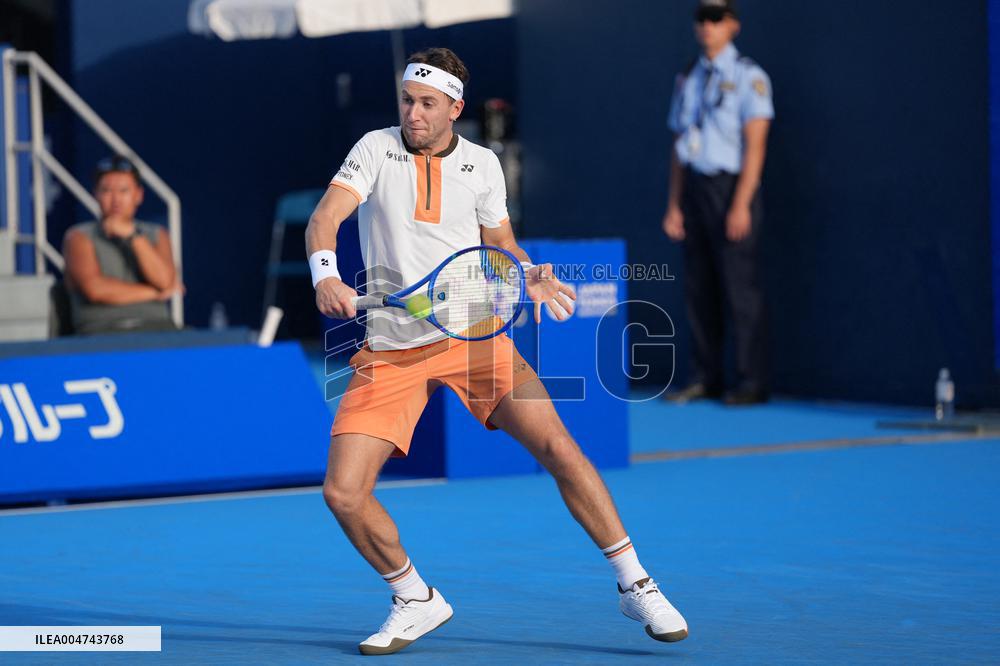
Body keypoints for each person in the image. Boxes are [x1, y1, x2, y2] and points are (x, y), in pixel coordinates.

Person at [306, 48, 688, 655]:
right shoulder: (375, 147)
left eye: (427, 103)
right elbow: (324, 219)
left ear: (455, 108)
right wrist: (326, 273)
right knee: (343, 493)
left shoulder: (483, 165)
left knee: (559, 448)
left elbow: (501, 241)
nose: (413, 113)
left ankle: (635, 583)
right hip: (392, 350)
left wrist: (527, 271)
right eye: (407, 100)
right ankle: (414, 597)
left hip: (474, 338)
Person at [663, 0, 774, 405]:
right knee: (699, 288)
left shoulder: (749, 75)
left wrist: (741, 203)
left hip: (731, 189)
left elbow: (756, 146)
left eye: (715, 18)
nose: (707, 26)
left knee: (740, 289)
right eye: (701, 19)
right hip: (695, 188)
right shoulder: (689, 76)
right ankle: (704, 376)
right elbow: (679, 144)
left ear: (733, 26)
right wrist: (674, 203)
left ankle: (750, 381)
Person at [62, 156, 181, 334]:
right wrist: (154, 293)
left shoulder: (157, 234)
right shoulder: (78, 236)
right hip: (101, 332)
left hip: (158, 329)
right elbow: (96, 290)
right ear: (96, 194)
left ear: (138, 195)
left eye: (124, 191)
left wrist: (133, 236)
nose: (116, 199)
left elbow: (164, 281)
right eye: (106, 190)